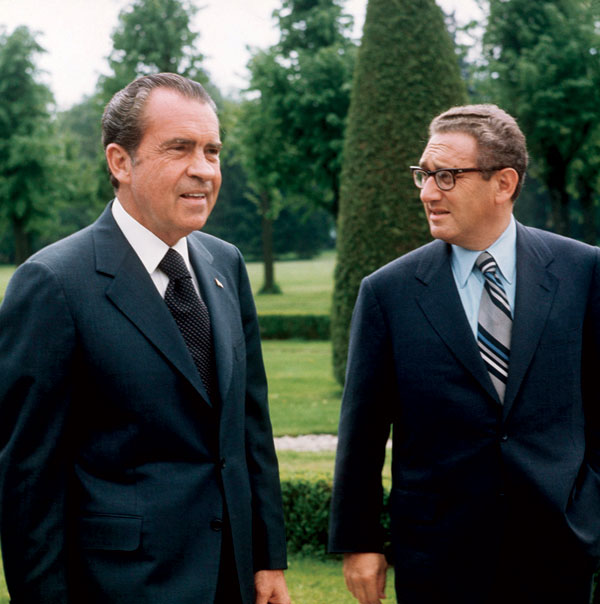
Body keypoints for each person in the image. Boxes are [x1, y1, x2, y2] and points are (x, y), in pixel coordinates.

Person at [0, 73, 290, 604]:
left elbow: (250, 428)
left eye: (212, 151)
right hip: (119, 586)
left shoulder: (225, 263)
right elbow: (28, 481)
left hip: (234, 579)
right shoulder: (53, 283)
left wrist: (268, 559)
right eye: (180, 148)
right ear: (120, 162)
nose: (204, 169)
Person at [328, 104, 600, 604]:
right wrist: (359, 541)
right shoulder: (387, 292)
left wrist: (590, 511)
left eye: (447, 176)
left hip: (558, 550)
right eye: (425, 174)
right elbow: (362, 432)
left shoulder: (584, 272)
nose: (428, 192)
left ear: (504, 183)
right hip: (438, 557)